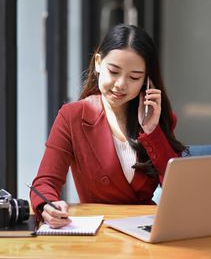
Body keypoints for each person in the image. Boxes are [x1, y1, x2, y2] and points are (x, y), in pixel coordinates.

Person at [30, 24, 186, 228]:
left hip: (147, 231)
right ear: (98, 63)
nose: (121, 84)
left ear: (147, 81)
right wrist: (47, 206)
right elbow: (44, 183)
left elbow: (178, 193)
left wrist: (152, 132)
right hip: (99, 230)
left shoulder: (158, 119)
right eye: (114, 71)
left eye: (134, 77)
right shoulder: (72, 116)